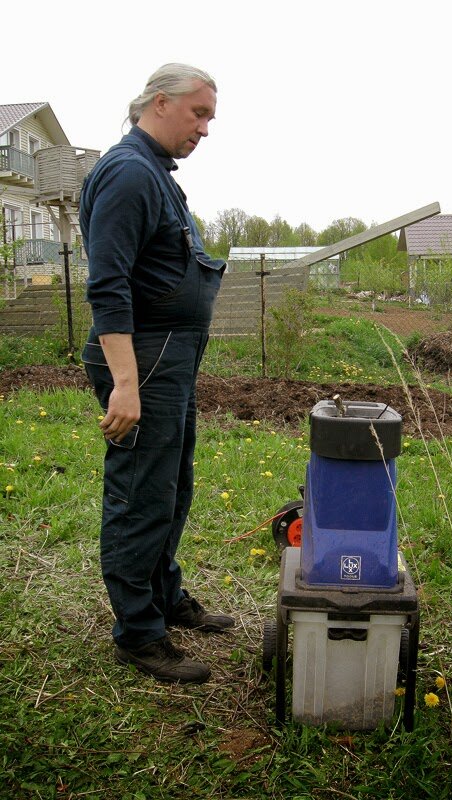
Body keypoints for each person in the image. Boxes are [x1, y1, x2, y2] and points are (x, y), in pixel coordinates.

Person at [80, 63, 234, 684]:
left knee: (171, 486)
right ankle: (139, 633)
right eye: (198, 114)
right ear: (160, 102)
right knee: (141, 493)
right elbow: (107, 284)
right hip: (141, 361)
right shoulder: (127, 173)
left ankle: (165, 596)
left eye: (210, 119)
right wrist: (125, 383)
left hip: (166, 357)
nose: (205, 129)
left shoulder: (155, 174)